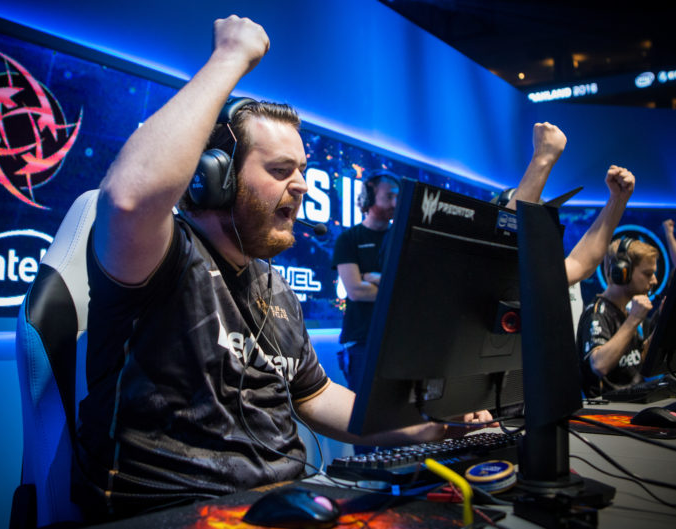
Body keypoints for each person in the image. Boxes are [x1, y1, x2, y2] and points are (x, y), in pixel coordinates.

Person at [72, 15, 492, 522]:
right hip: (172, 510)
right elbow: (128, 198)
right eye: (279, 170)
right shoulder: (163, 255)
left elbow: (318, 398)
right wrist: (229, 57)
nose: (302, 186)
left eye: (303, 171)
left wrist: (432, 425)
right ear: (216, 179)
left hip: (281, 501)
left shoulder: (273, 287)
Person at [501, 122, 636, 329]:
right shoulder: (483, 269)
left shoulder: (535, 277)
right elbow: (506, 239)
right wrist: (542, 159)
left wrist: (617, 200)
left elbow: (581, 263)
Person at [331, 170, 399, 394]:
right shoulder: (349, 239)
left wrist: (378, 279)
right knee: (364, 410)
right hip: (362, 342)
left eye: (397, 197)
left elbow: (415, 290)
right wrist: (397, 287)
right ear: (369, 197)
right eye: (389, 196)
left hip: (398, 341)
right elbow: (356, 291)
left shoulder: (402, 238)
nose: (395, 203)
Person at [575, 238, 658, 397]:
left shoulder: (626, 311)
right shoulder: (598, 313)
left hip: (635, 399)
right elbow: (599, 365)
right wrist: (633, 320)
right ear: (622, 273)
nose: (654, 280)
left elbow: (638, 359)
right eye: (648, 274)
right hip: (610, 406)